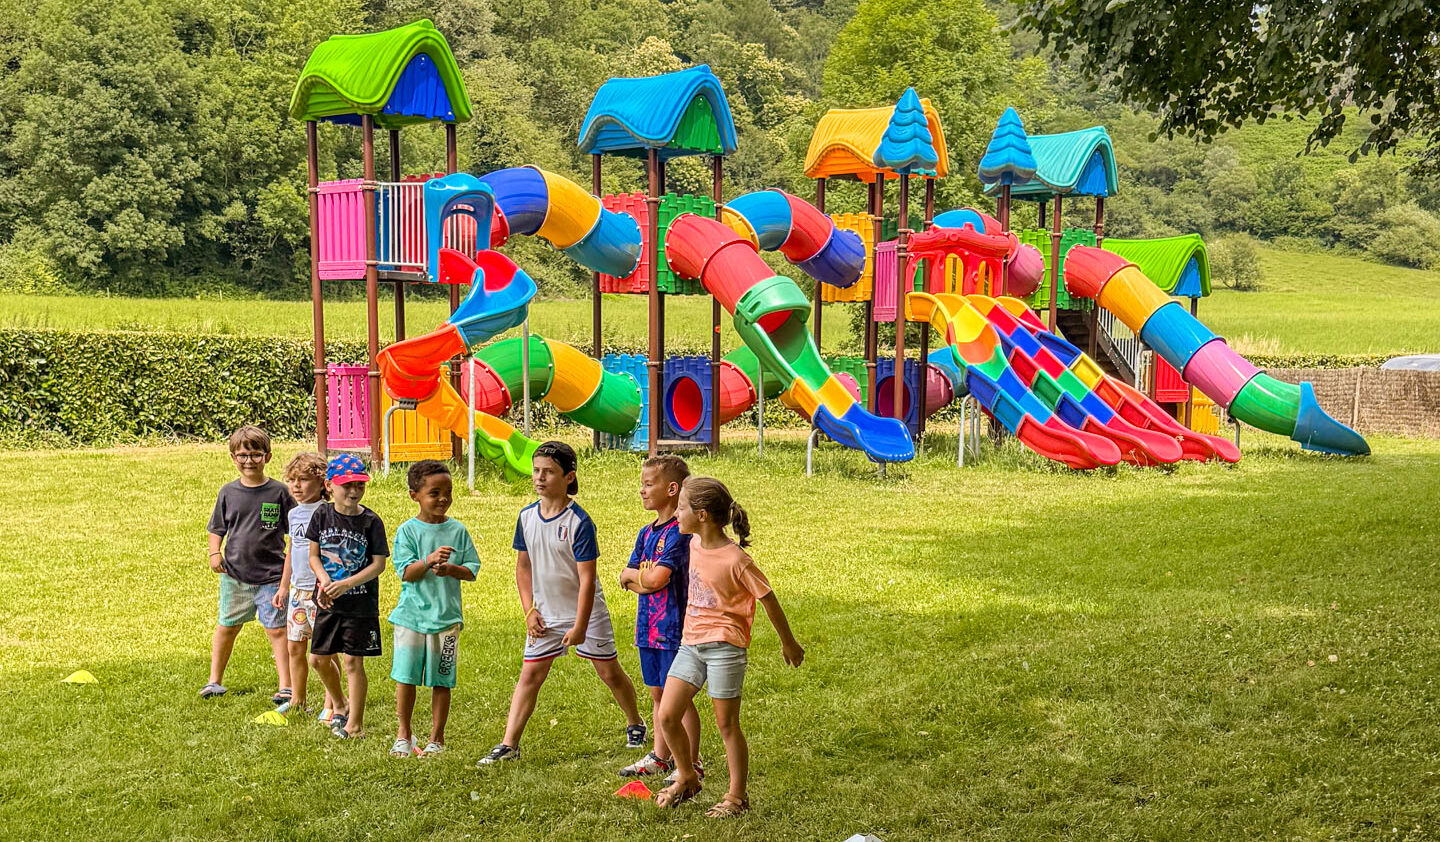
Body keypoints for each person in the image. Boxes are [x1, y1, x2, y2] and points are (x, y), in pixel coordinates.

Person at [478, 441, 644, 765]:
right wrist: (529, 611)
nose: (539, 477)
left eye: (549, 472)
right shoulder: (526, 517)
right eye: (536, 470)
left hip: (586, 612)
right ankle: (509, 745)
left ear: (569, 477)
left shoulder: (579, 523)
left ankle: (635, 722)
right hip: (544, 615)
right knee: (530, 677)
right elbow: (522, 568)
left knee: (609, 673)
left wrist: (581, 625)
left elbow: (586, 579)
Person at [654, 477, 804, 818]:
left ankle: (737, 797)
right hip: (691, 644)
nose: (676, 514)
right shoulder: (691, 543)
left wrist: (789, 643)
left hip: (724, 647)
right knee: (667, 715)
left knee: (726, 724)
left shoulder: (735, 559)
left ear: (703, 515)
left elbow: (768, 598)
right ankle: (687, 776)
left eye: (681, 508)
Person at [617, 456, 703, 781]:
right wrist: (641, 577)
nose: (641, 490)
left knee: (677, 700)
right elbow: (629, 577)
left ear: (671, 489)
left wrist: (638, 578)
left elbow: (651, 581)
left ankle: (692, 762)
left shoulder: (679, 533)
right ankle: (660, 757)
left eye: (648, 484)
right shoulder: (645, 533)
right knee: (656, 694)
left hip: (673, 629)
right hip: (647, 629)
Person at [388, 460, 479, 758]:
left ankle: (436, 738)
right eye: (434, 492)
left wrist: (452, 569)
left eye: (448, 492)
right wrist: (428, 561)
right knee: (406, 677)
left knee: (442, 679)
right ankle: (404, 734)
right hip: (411, 617)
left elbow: (471, 571)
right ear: (414, 495)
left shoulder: (458, 530)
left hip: (446, 619)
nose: (443, 498)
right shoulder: (408, 531)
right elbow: (406, 573)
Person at [202, 426, 295, 702]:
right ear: (233, 457)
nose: (248, 461)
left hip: (271, 577)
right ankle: (214, 681)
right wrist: (214, 553)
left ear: (267, 456)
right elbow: (217, 528)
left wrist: (286, 580)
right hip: (235, 576)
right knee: (227, 626)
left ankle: (286, 686)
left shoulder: (280, 492)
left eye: (255, 454)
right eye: (242, 455)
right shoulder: (228, 493)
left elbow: (295, 534)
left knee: (277, 630)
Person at [305, 454, 389, 739]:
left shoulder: (371, 521)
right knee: (317, 659)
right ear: (329, 486)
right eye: (347, 486)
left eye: (359, 485)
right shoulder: (321, 515)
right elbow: (313, 555)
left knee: (353, 662)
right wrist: (326, 581)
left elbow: (379, 564)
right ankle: (339, 703)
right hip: (328, 600)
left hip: (360, 603)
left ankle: (355, 724)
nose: (354, 491)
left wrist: (347, 584)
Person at [279, 452, 337, 717]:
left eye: (303, 480)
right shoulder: (293, 514)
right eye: (292, 480)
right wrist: (283, 585)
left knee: (326, 648)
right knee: (295, 645)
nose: (296, 486)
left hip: (321, 590)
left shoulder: (328, 512)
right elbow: (292, 550)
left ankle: (331, 702)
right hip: (297, 591)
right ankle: (297, 700)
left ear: (323, 483)